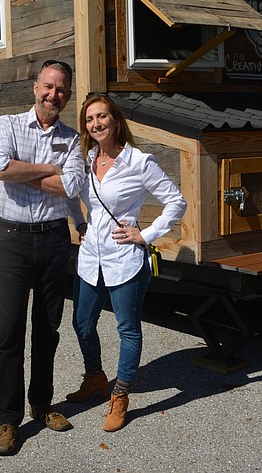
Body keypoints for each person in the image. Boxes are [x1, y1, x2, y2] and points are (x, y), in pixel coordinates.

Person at [66, 94, 186, 432]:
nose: (96, 124)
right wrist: (80, 223)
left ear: (116, 121)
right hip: (91, 258)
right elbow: (71, 194)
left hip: (125, 259)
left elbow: (176, 201)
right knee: (82, 323)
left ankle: (120, 395)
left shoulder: (139, 161)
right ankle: (94, 377)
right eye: (90, 119)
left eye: (102, 116)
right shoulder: (87, 159)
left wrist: (145, 235)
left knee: (127, 329)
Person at [0, 60, 87, 456]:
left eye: (61, 90)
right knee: (9, 332)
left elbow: (73, 183)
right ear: (35, 87)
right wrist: (49, 168)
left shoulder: (73, 138)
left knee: (48, 329)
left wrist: (21, 170)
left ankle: (42, 405)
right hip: (10, 240)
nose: (53, 95)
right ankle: (8, 419)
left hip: (53, 240)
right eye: (48, 87)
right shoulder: (8, 124)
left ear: (67, 94)